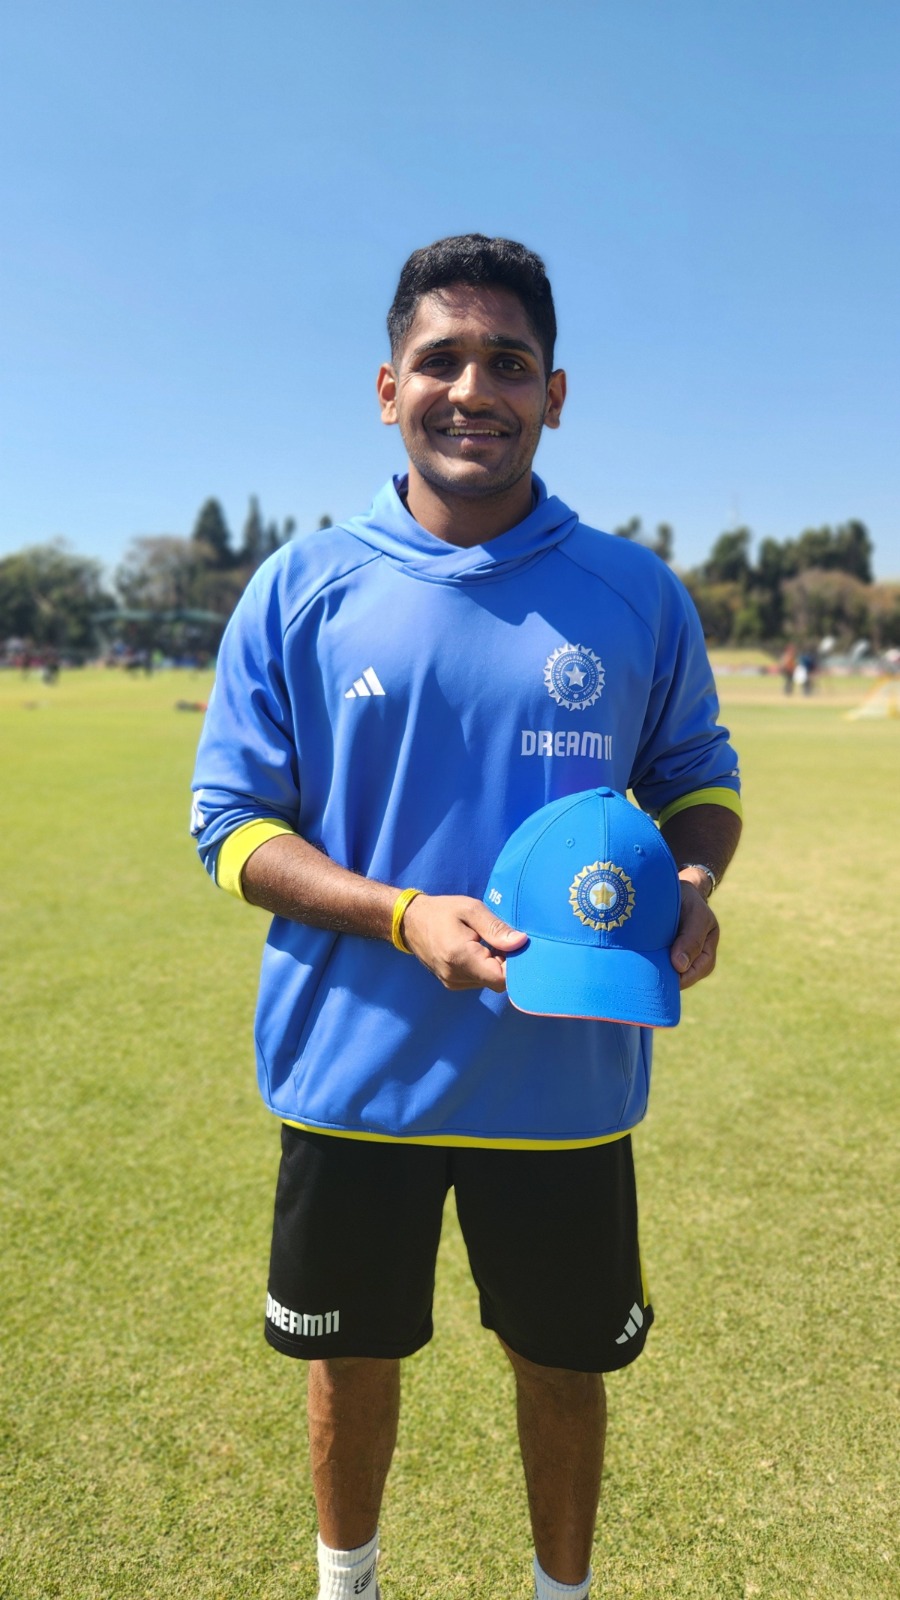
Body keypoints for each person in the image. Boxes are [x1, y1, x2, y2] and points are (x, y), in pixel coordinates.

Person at [191, 234, 742, 1600]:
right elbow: (233, 828)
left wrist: (692, 880)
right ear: (389, 389)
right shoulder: (300, 588)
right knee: (348, 1359)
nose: (472, 387)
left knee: (565, 1372)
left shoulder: (633, 593)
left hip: (563, 1079)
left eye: (508, 361)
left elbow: (700, 783)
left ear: (557, 394)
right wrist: (398, 917)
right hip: (351, 1073)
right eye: (441, 359)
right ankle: (348, 1587)